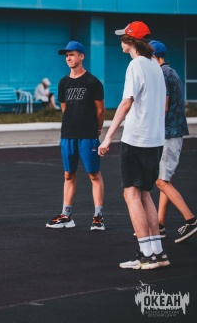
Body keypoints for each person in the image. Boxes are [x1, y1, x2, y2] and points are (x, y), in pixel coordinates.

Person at [98, 21, 169, 270]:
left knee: (131, 194)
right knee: (144, 193)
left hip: (137, 139)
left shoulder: (136, 65)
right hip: (155, 141)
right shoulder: (155, 66)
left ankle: (146, 255)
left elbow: (126, 103)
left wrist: (108, 136)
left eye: (123, 38)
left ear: (130, 41)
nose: (120, 41)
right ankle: (157, 252)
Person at [46, 41, 106, 231]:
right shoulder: (63, 83)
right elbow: (65, 109)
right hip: (68, 135)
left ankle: (98, 217)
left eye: (72, 54)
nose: (68, 58)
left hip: (88, 135)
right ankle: (66, 215)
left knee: (94, 174)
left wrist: (97, 130)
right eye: (67, 56)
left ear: (82, 56)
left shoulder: (93, 82)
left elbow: (101, 110)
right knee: (68, 174)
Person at [150, 40, 196, 243]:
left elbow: (164, 106)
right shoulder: (172, 72)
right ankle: (159, 225)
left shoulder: (162, 74)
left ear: (153, 56)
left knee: (161, 181)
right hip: (173, 132)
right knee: (164, 180)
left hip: (169, 133)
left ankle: (191, 220)